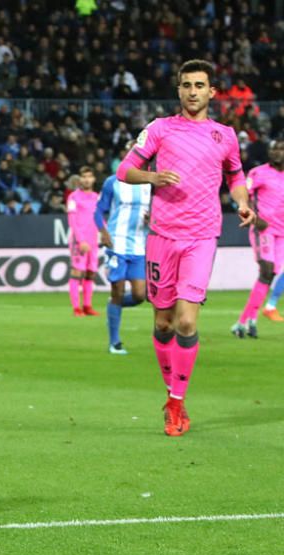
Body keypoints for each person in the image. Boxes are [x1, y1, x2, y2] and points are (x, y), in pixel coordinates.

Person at [117, 59, 254, 436]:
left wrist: (242, 202)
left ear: (212, 92)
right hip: (162, 237)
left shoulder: (224, 135)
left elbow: (235, 175)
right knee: (162, 324)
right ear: (178, 91)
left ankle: (176, 404)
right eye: (186, 85)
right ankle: (170, 392)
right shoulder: (160, 129)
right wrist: (152, 176)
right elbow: (123, 170)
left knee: (187, 321)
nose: (193, 91)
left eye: (200, 85)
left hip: (202, 237)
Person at [94, 142, 151, 354]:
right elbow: (98, 211)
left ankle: (113, 307)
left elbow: (158, 213)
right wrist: (104, 231)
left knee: (139, 295)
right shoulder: (113, 182)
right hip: (116, 243)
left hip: (139, 245)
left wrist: (152, 218)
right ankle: (114, 342)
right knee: (117, 290)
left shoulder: (150, 183)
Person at [232, 140, 284, 337]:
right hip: (264, 229)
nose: (276, 152)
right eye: (274, 149)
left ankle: (245, 321)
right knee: (267, 270)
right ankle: (247, 320)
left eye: (280, 149)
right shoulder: (258, 173)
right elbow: (243, 194)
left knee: (269, 275)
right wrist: (253, 216)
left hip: (282, 233)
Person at [67, 166, 101, 316]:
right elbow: (72, 220)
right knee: (77, 273)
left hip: (93, 241)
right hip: (79, 241)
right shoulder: (73, 197)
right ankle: (76, 308)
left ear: (93, 179)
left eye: (89, 176)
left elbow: (99, 217)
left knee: (90, 273)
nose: (87, 179)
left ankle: (87, 306)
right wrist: (81, 240)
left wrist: (105, 233)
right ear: (80, 179)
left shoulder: (97, 197)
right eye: (84, 176)